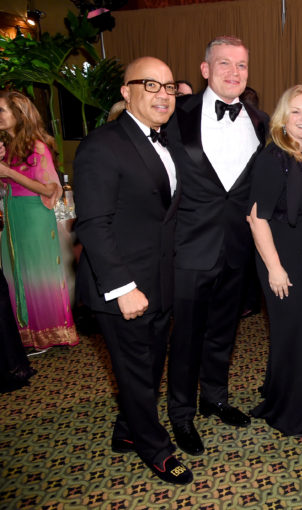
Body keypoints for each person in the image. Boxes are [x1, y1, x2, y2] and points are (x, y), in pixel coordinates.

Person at [74, 57, 192, 484]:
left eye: (169, 87)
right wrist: (122, 287)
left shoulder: (168, 142)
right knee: (139, 372)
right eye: (151, 85)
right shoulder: (101, 145)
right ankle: (154, 447)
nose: (163, 94)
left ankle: (126, 431)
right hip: (122, 287)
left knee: (145, 367)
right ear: (126, 92)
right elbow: (92, 224)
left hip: (159, 283)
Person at [165, 36, 269, 455]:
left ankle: (215, 397)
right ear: (206, 69)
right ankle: (180, 414)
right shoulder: (177, 114)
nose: (233, 72)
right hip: (190, 245)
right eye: (224, 64)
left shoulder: (260, 121)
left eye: (241, 65)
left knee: (224, 331)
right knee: (186, 336)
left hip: (237, 247)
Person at [247, 85, 302, 437]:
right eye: (296, 111)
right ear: (282, 118)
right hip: (282, 260)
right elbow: (256, 218)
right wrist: (275, 268)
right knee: (292, 334)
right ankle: (290, 409)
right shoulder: (274, 158)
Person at [0, 90, 78, 351]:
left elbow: (48, 190)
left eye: (1, 111)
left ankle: (48, 332)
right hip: (13, 212)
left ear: (18, 115)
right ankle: (27, 333)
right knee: (17, 271)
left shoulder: (37, 146)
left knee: (38, 272)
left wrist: (8, 171)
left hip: (34, 214)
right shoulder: (7, 147)